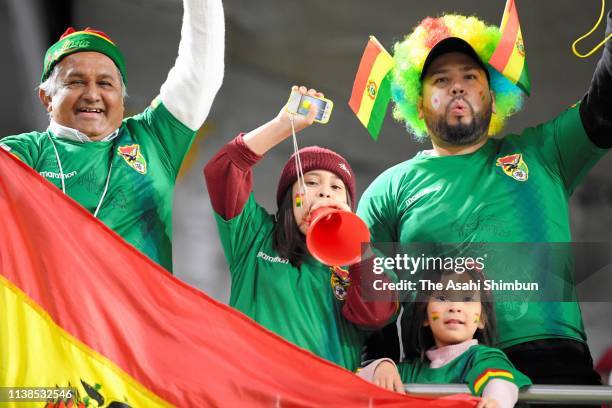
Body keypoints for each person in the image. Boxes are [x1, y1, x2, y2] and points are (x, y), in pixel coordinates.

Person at [357, 13, 611, 387]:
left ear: (492, 95)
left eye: (470, 77)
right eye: (441, 80)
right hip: (443, 370)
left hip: (555, 361)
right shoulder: (388, 189)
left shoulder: (544, 153)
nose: (457, 87)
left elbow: (606, 106)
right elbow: (364, 282)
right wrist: (377, 358)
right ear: (419, 102)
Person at [0, 0, 225, 272]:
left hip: (134, 312)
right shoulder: (26, 153)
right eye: (76, 82)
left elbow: (201, 73)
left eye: (105, 83)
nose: (92, 94)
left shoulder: (152, 141)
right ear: (47, 98)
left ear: (121, 98)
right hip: (45, 312)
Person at [203, 86, 396, 370]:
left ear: (348, 203)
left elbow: (376, 317)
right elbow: (224, 170)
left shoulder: (368, 261)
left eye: (336, 188)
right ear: (287, 200)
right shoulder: (255, 236)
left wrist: (357, 252)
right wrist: (283, 125)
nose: (324, 194)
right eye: (311, 182)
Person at [358, 268, 531, 408]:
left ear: (482, 319)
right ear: (425, 316)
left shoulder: (482, 357)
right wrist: (380, 366)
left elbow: (499, 381)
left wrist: (496, 402)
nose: (455, 307)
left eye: (467, 299)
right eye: (442, 297)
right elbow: (354, 384)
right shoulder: (410, 371)